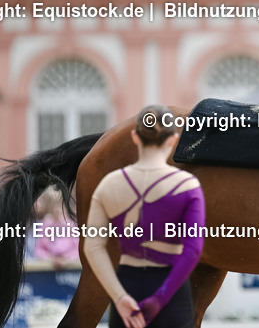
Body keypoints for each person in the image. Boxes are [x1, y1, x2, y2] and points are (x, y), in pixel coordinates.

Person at [83, 106, 205, 328]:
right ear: (173, 140)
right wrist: (161, 297)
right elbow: (193, 249)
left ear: (135, 137)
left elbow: (93, 247)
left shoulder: (108, 185)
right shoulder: (188, 186)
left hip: (128, 284)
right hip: (172, 290)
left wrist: (119, 297)